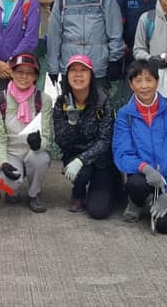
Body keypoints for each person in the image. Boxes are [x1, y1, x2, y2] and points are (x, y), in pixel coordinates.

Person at [113, 60, 167, 234]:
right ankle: (137, 201)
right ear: (131, 84)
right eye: (138, 80)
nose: (144, 86)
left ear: (157, 82)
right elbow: (122, 152)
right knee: (135, 184)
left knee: (165, 226)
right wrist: (145, 168)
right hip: (144, 176)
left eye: (149, 80)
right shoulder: (125, 115)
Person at [52, 55, 118, 219]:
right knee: (82, 173)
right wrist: (72, 123)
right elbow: (61, 141)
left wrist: (83, 159)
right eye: (73, 70)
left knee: (98, 210)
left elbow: (105, 140)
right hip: (75, 159)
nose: (78, 75)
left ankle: (112, 186)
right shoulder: (62, 102)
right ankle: (78, 192)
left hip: (101, 161)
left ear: (91, 75)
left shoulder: (103, 101)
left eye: (83, 70)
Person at [46, 0, 125, 88]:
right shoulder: (61, 1)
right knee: (70, 108)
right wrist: (53, 68)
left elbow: (115, 33)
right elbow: (54, 37)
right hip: (71, 68)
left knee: (100, 107)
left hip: (98, 67)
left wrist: (114, 60)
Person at [0, 53, 53, 213]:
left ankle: (34, 193)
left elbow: (47, 136)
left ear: (36, 76)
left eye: (29, 72)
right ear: (12, 72)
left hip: (32, 151)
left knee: (41, 158)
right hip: (11, 152)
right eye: (19, 71)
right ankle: (12, 188)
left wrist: (39, 144)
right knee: (9, 182)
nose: (24, 76)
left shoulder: (43, 100)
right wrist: (3, 162)